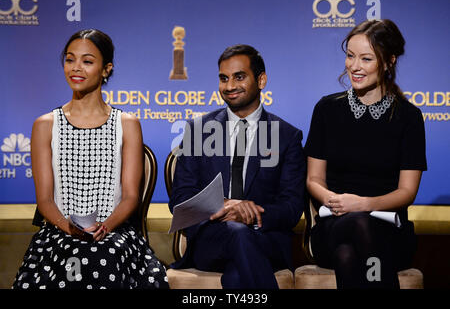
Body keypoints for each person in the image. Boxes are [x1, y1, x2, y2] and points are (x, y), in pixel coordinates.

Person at [12, 29, 168, 289]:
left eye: (87, 61)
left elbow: (130, 196)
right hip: (59, 232)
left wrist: (104, 227)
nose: (76, 68)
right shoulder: (45, 125)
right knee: (73, 258)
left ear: (106, 69)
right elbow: (45, 199)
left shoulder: (127, 124)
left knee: (102, 256)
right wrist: (67, 227)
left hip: (114, 232)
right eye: (70, 59)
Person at [169, 44, 306, 289]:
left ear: (261, 80)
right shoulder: (197, 131)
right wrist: (224, 205)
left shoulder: (287, 136)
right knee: (236, 234)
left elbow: (292, 206)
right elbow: (180, 199)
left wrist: (249, 214)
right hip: (212, 239)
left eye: (239, 77)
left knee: (237, 275)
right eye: (224, 78)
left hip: (265, 238)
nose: (230, 86)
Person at [305, 19, 427, 289]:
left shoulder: (409, 118)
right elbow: (314, 178)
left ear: (388, 62)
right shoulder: (327, 109)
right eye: (350, 56)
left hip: (388, 229)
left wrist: (361, 205)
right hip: (333, 225)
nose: (354, 66)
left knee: (348, 254)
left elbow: (407, 192)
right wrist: (334, 201)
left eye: (366, 59)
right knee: (355, 230)